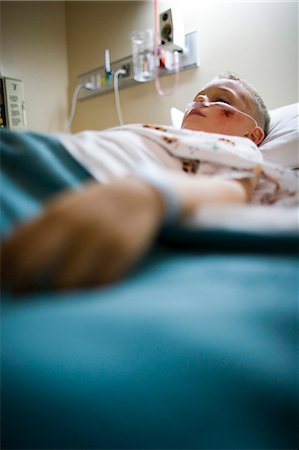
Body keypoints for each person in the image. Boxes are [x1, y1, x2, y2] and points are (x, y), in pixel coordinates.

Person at [0, 73, 293, 292]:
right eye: (199, 96)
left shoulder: (237, 147)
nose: (202, 101)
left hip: (76, 183)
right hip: (42, 150)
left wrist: (148, 193)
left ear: (251, 135)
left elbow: (234, 190)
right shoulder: (168, 135)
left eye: (222, 100)